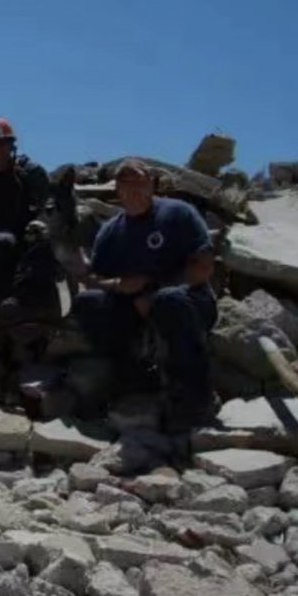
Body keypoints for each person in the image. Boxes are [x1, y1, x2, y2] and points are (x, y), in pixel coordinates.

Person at [73, 158, 218, 433]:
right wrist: (116, 284)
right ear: (117, 190)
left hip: (190, 302)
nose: (134, 191)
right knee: (88, 304)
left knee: (168, 300)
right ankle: (132, 379)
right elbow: (94, 279)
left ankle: (195, 397)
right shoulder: (110, 232)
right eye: (126, 184)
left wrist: (152, 287)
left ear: (152, 184)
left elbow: (203, 266)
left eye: (140, 182)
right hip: (134, 307)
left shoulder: (178, 214)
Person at [0, 116, 59, 333]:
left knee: (4, 244)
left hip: (28, 233)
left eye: (2, 144)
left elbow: (47, 204)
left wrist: (39, 222)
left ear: (11, 146)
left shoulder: (30, 173)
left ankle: (18, 302)